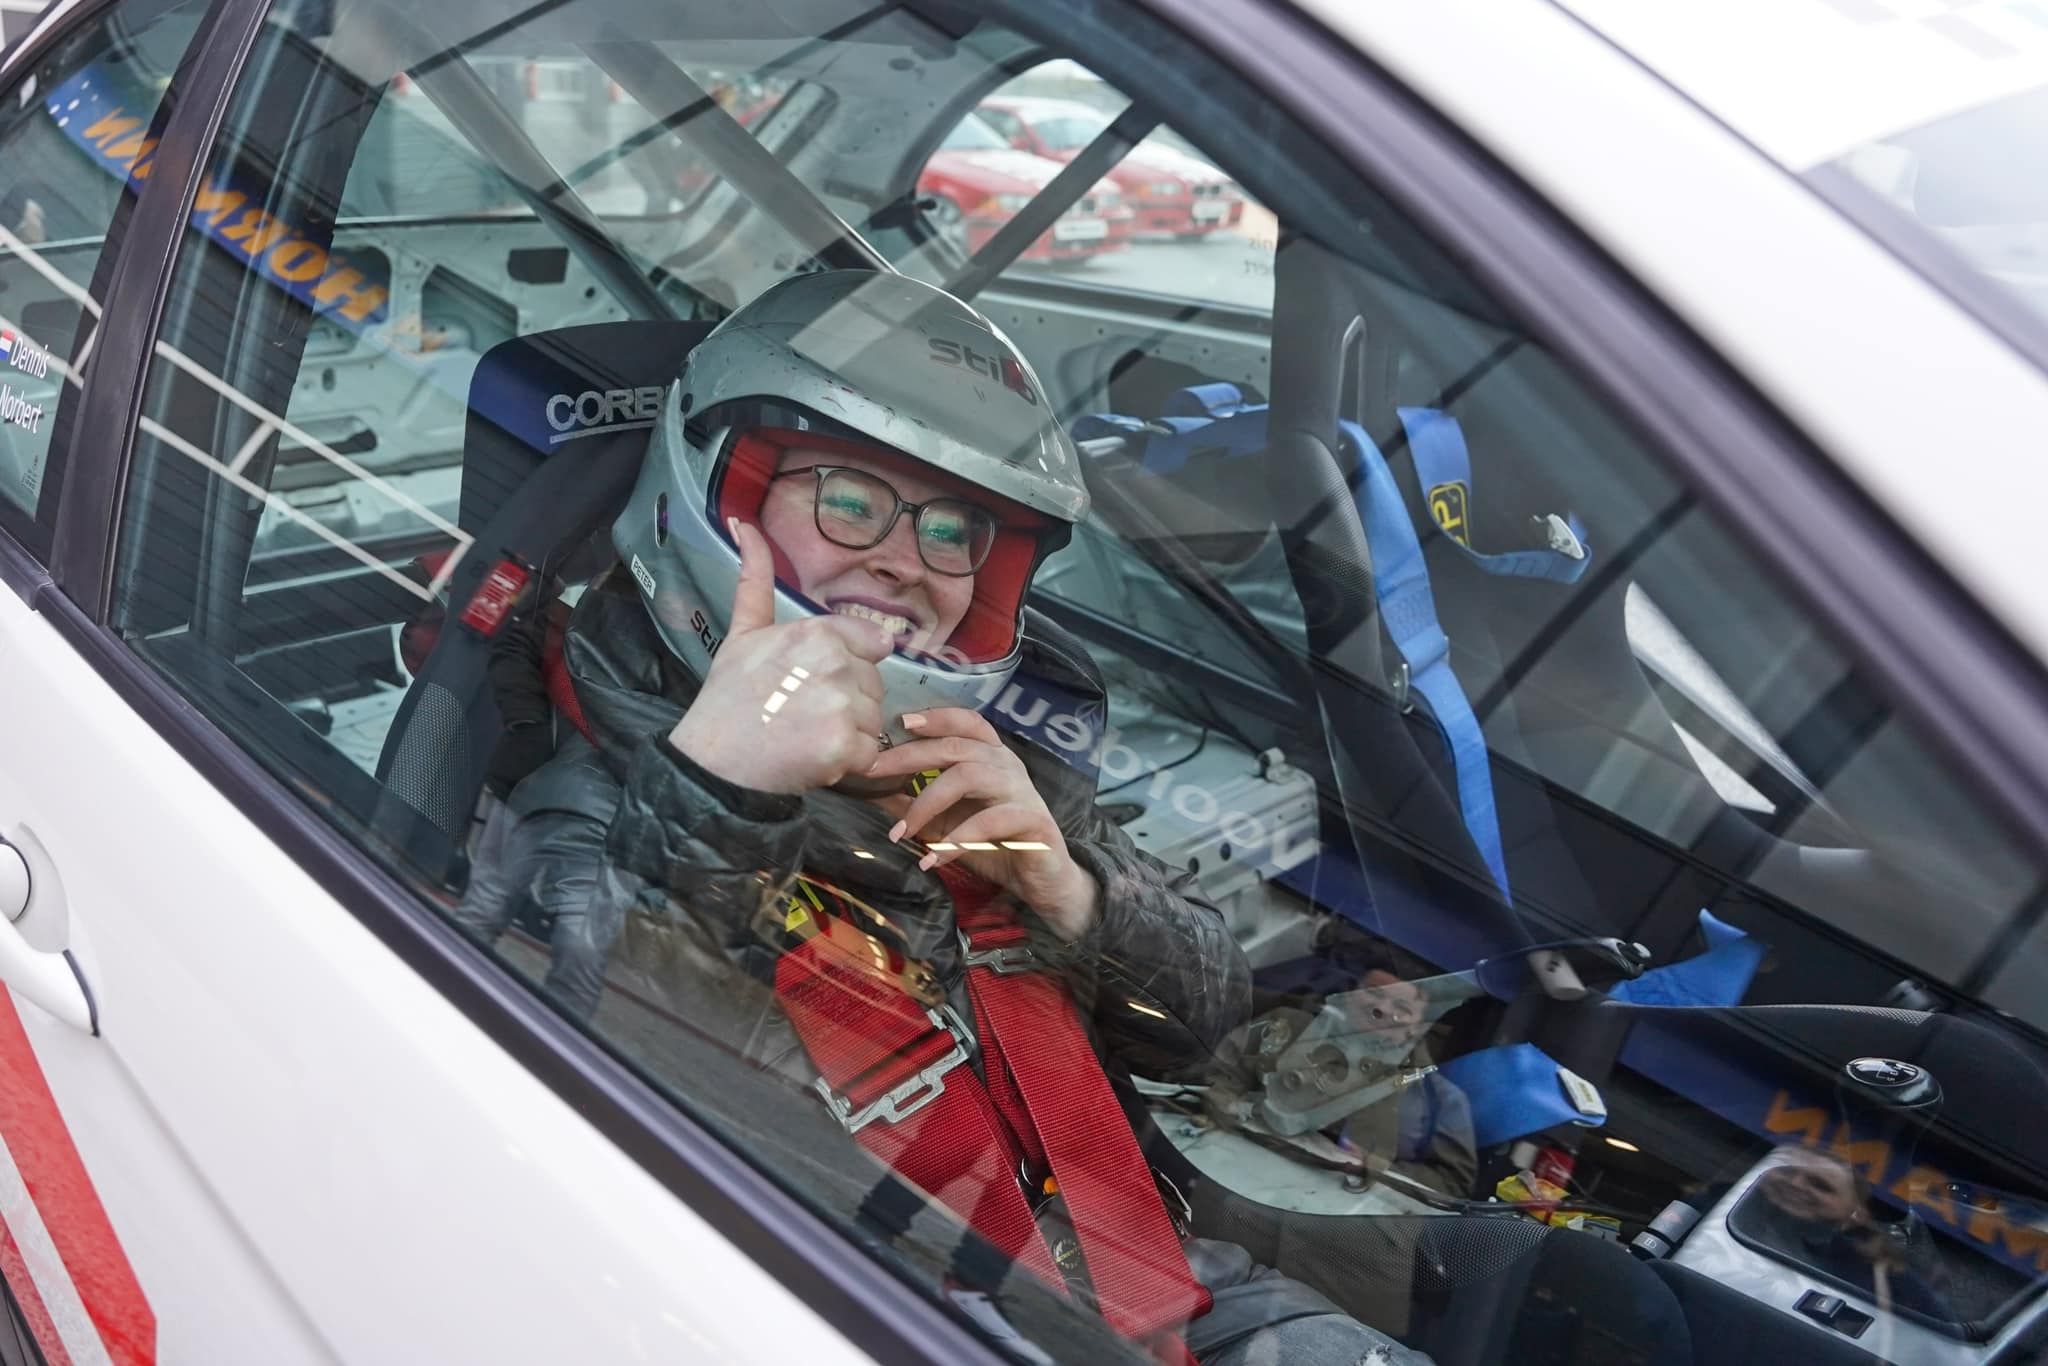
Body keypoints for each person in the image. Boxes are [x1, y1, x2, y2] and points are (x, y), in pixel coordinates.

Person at [481, 269, 1431, 1365]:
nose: (902, 560)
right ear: (722, 499)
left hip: (1138, 1272)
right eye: (847, 498)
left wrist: (1075, 895)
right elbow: (571, 1078)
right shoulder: (590, 794)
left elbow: (1201, 1030)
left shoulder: (988, 758)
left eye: (951, 531)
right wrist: (722, 786)